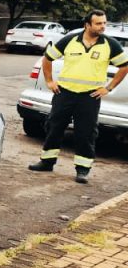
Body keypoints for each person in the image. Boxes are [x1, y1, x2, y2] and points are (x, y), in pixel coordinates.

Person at [29, 10, 128, 183]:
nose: (103, 26)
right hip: (64, 93)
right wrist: (50, 81)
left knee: (86, 133)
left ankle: (82, 169)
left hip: (89, 97)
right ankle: (47, 162)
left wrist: (108, 88)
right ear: (87, 25)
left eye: (104, 23)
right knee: (54, 127)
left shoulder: (110, 44)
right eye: (98, 23)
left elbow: (124, 66)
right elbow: (48, 58)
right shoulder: (70, 40)